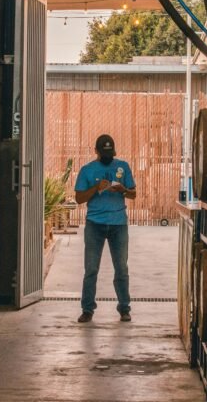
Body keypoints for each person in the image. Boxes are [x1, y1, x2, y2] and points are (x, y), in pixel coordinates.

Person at [74, 134, 137, 323]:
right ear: (96, 152)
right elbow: (78, 198)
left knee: (121, 268)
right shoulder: (87, 170)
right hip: (95, 224)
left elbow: (134, 194)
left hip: (118, 224)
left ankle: (124, 308)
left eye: (110, 153)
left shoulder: (123, 167)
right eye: (104, 153)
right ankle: (87, 309)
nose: (108, 156)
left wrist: (123, 190)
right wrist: (96, 188)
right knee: (91, 268)